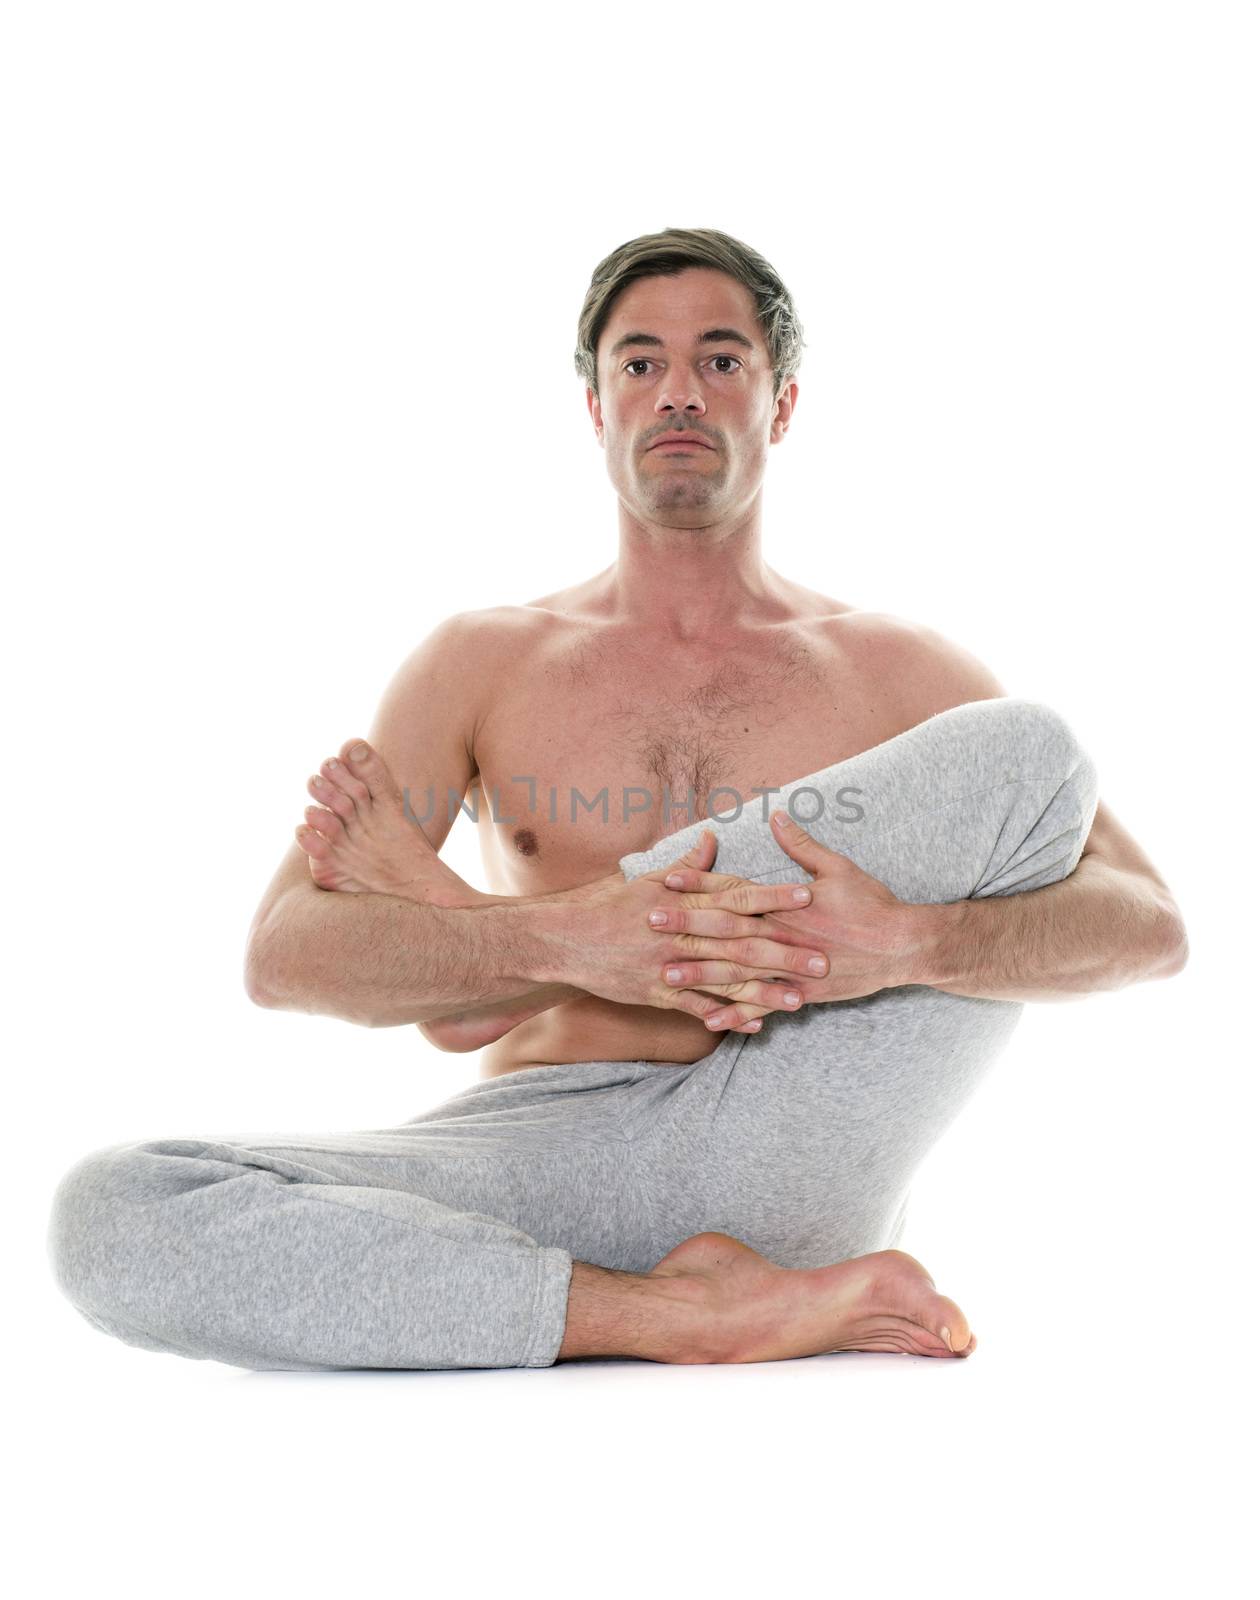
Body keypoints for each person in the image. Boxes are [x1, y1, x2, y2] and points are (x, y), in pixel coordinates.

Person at [48, 228, 1188, 1372]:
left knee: (1030, 747)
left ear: (781, 404)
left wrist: (912, 945)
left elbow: (1148, 926)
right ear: (596, 407)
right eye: (639, 363)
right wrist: (570, 943)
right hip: (530, 1151)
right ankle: (677, 1314)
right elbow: (285, 954)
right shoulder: (483, 659)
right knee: (112, 1211)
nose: (678, 392)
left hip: (789, 1140)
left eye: (721, 360)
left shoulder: (896, 670)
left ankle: (481, 980)